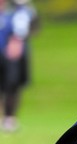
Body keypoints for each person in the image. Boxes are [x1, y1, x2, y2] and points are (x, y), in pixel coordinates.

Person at [0, 0, 38, 132]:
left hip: (11, 55)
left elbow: (32, 26)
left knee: (12, 85)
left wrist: (17, 41)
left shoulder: (20, 9)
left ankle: (9, 118)